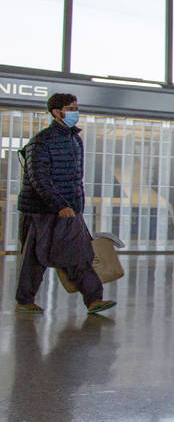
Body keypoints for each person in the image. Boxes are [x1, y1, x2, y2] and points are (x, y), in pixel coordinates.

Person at [15, 93, 116, 315]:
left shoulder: (74, 140)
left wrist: (75, 206)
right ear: (56, 112)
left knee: (79, 254)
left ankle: (94, 300)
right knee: (34, 257)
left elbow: (75, 177)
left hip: (70, 210)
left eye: (76, 107)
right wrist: (59, 204)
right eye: (70, 108)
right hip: (41, 212)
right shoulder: (40, 142)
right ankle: (24, 300)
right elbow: (38, 178)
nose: (75, 112)